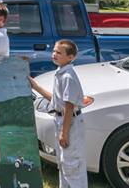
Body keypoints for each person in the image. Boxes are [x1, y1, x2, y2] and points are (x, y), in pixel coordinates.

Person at [28, 40, 86, 188]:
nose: (54, 54)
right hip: (61, 121)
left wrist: (64, 133)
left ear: (71, 57)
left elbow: (68, 107)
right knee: (63, 163)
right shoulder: (60, 73)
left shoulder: (68, 77)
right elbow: (56, 101)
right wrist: (36, 86)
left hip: (70, 124)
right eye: (54, 51)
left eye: (59, 53)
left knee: (72, 165)